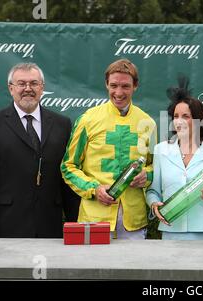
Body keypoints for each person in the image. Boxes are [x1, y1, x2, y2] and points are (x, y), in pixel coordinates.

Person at [0, 62, 80, 238]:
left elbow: (67, 178)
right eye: (21, 83)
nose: (28, 88)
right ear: (11, 88)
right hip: (7, 224)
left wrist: (76, 223)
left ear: (42, 87)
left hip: (50, 224)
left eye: (34, 83)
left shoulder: (62, 124)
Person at [61, 58, 156, 240]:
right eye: (113, 85)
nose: (118, 92)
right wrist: (94, 189)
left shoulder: (148, 123)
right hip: (94, 219)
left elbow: (154, 167)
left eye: (125, 86)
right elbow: (68, 167)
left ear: (135, 86)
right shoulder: (87, 119)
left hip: (133, 223)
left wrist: (147, 175)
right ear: (106, 85)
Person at [146, 76, 203, 240]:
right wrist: (154, 205)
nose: (179, 122)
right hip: (171, 231)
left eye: (185, 116)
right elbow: (153, 190)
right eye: (175, 116)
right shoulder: (161, 150)